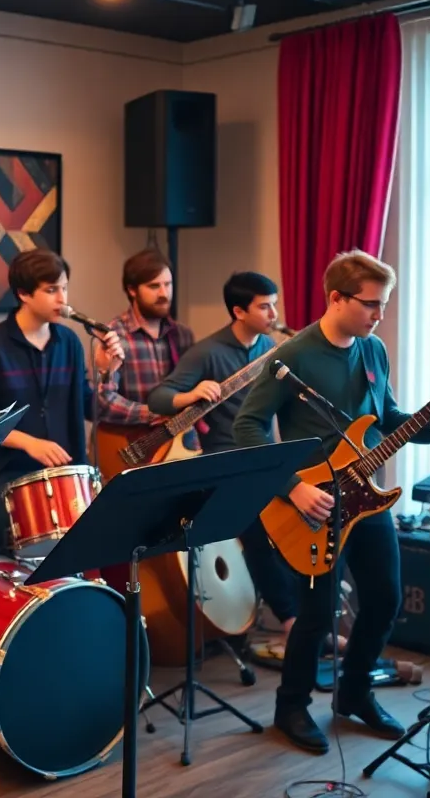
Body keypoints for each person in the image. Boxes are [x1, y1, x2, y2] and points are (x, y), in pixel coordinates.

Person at [232, 250, 430, 754]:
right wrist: (292, 486)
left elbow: (388, 418)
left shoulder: (373, 351)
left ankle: (355, 692)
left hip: (367, 501)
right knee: (316, 615)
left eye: (382, 305)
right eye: (371, 305)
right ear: (336, 298)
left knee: (385, 599)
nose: (379, 315)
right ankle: (290, 706)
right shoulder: (291, 355)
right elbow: (246, 427)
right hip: (311, 503)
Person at [148, 271, 299, 651]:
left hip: (265, 460)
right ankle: (291, 620)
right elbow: (158, 397)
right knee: (259, 533)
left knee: (302, 520)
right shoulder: (207, 352)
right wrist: (191, 395)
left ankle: (302, 617)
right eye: (264, 306)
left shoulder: (271, 347)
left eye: (273, 304)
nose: (273, 312)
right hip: (224, 463)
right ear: (238, 311)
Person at [0, 248, 124, 556]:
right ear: (24, 294)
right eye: (51, 290)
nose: (63, 299)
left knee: (75, 557)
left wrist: (106, 373)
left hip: (66, 470)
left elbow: (90, 407)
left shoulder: (70, 343)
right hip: (5, 473)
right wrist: (28, 442)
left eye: (64, 288)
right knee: (12, 558)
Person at [94, 248, 197, 459]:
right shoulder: (113, 336)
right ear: (132, 290)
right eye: (154, 286)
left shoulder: (183, 335)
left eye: (167, 285)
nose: (163, 293)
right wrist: (153, 413)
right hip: (130, 448)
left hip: (178, 446)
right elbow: (103, 401)